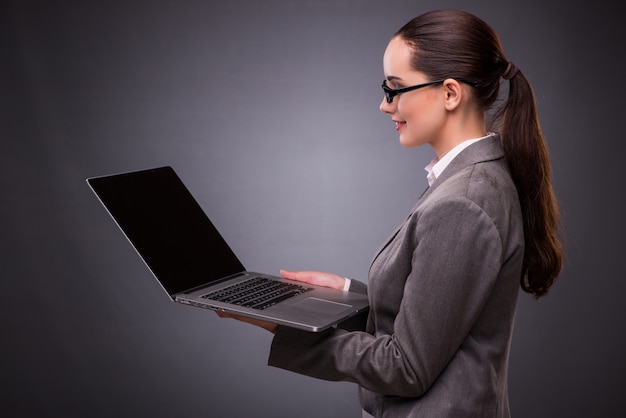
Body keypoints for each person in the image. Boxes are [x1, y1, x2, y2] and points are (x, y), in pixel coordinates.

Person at [217, 8, 563, 418]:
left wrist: (288, 327)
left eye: (395, 88)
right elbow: (439, 313)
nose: (385, 105)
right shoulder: (473, 181)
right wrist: (345, 294)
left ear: (451, 93)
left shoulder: (464, 202)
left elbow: (406, 367)